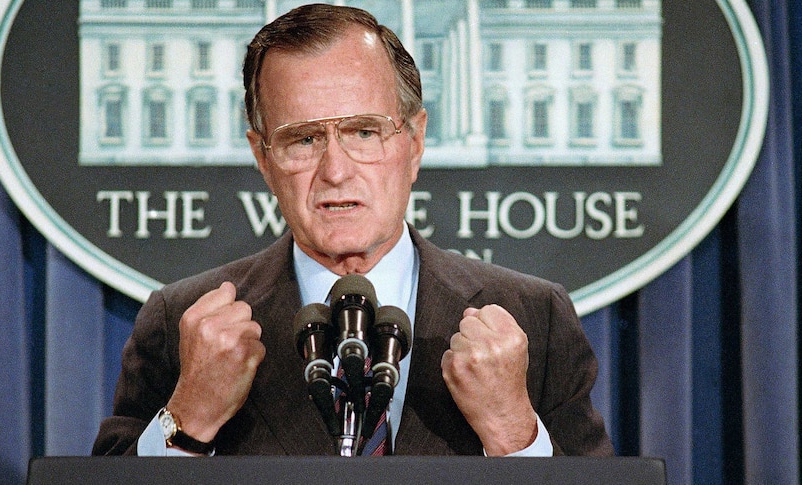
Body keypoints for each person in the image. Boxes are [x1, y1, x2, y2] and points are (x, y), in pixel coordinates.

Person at [92, 3, 613, 457]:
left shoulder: (534, 317)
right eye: (302, 140)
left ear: (414, 141)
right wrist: (187, 420)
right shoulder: (182, 325)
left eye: (363, 132)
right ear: (263, 158)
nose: (335, 171)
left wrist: (513, 433)